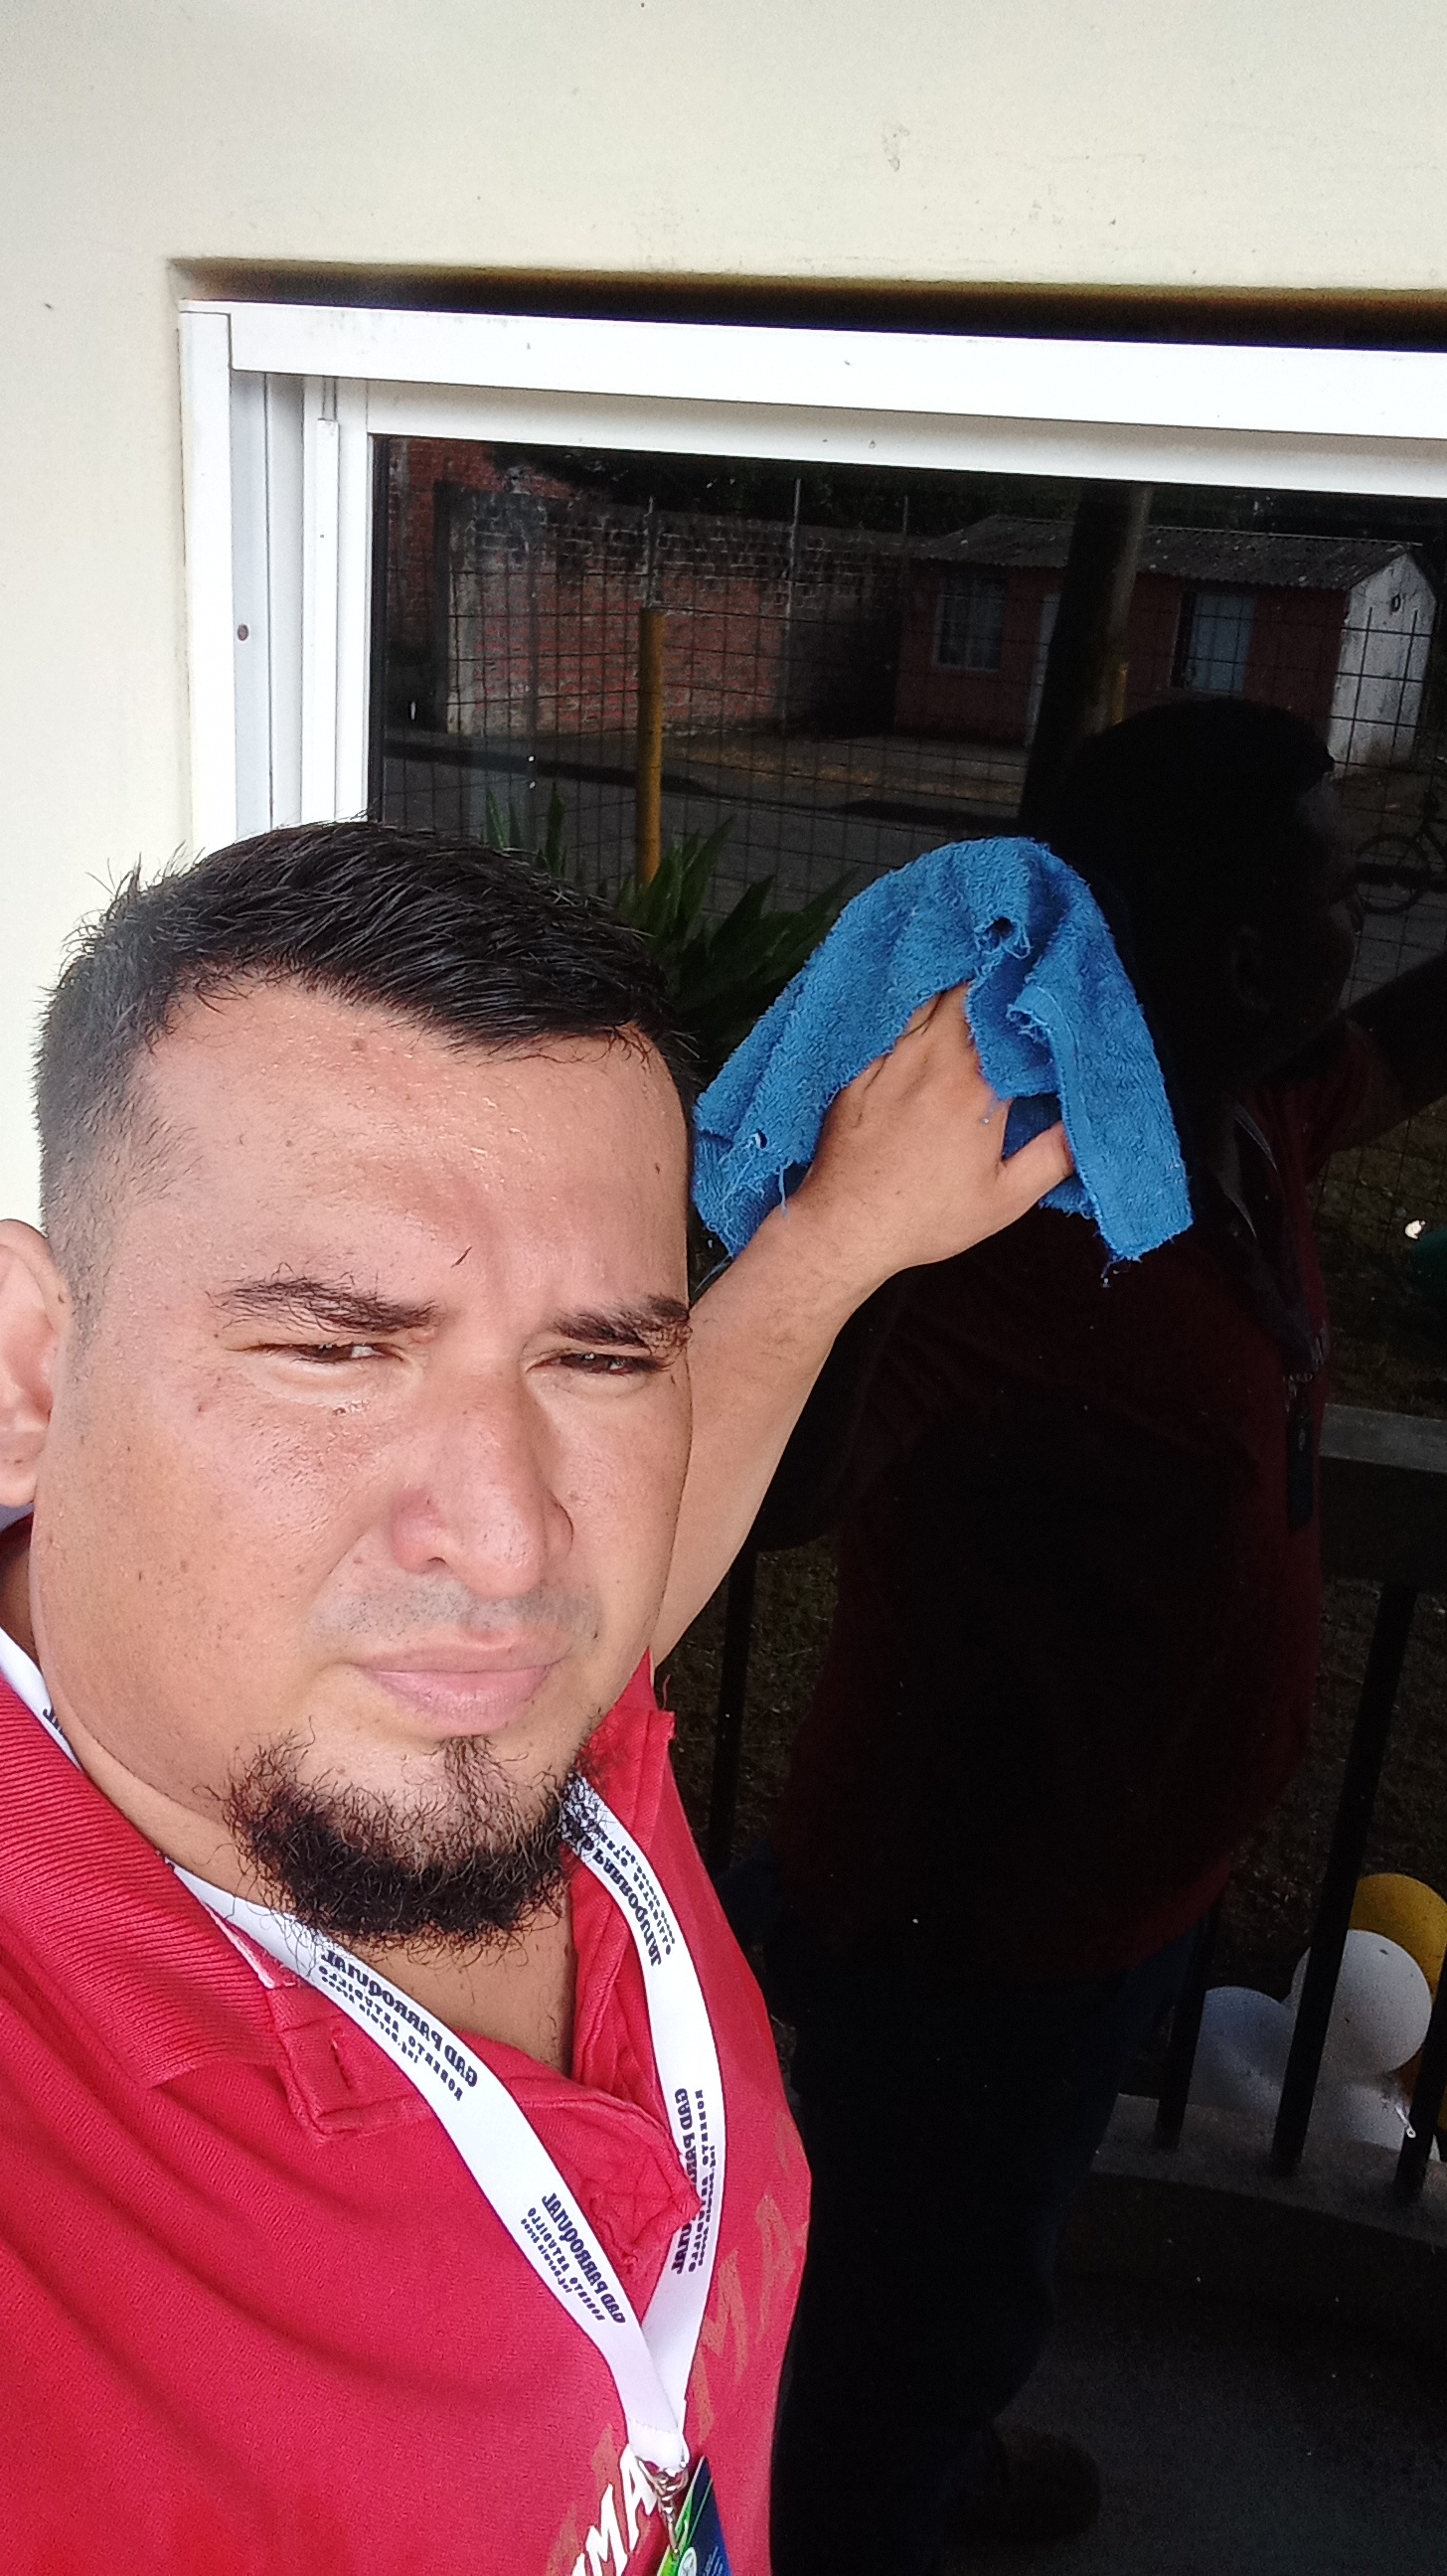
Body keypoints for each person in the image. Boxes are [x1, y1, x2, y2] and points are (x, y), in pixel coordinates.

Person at [0, 822, 1067, 2576]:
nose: (509, 1547)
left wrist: (837, 1239)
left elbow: (656, 1534)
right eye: (338, 1348)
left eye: (598, 1356)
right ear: (34, 1374)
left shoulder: (498, 1708)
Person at [755, 701, 1447, 2576]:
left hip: (1126, 1893)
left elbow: (1407, 1042)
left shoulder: (1252, 1119)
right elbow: (794, 1488)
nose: (1369, 915)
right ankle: (882, 2505)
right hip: (977, 1929)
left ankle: (935, 2441)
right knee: (916, 2296)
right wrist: (862, 1219)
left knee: (979, 2240)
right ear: (1240, 953)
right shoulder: (1024, 1214)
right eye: (1340, 888)